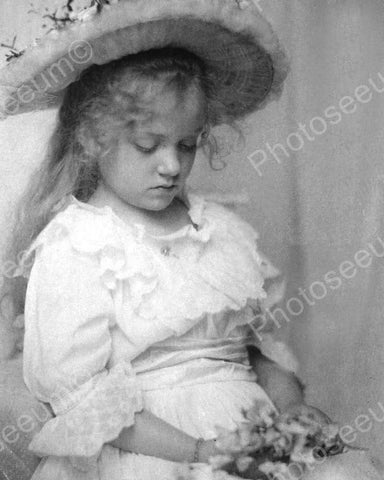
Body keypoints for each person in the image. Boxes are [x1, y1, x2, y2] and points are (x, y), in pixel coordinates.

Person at [0, 1, 382, 479]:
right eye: (148, 145)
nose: (172, 166)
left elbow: (248, 353)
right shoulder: (79, 244)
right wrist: (203, 452)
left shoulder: (217, 229)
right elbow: (85, 402)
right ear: (94, 138)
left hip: (248, 429)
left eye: (187, 144)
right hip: (154, 446)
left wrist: (290, 409)